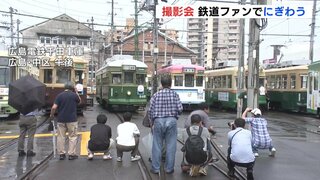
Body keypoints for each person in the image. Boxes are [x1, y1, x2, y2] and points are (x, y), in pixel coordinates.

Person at [148, 74, 183, 174]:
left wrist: (152, 122)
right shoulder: (175, 94)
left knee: (157, 146)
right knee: (171, 146)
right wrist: (174, 116)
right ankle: (169, 169)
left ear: (161, 84)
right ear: (170, 84)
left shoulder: (156, 95)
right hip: (172, 121)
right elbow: (180, 109)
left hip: (158, 121)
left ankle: (155, 168)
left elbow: (150, 111)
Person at [50, 81, 81, 160]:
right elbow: (79, 101)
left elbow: (54, 107)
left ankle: (61, 154)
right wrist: (76, 91)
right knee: (73, 137)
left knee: (61, 137)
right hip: (72, 120)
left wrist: (52, 115)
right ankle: (71, 154)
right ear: (72, 88)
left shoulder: (59, 96)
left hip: (61, 119)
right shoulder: (74, 95)